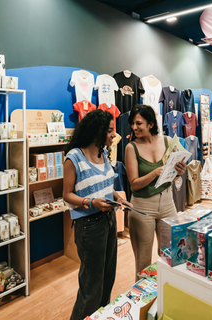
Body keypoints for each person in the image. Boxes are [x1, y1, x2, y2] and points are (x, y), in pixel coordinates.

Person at [63, 110, 132, 320]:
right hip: (89, 225)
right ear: (97, 131)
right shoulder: (74, 157)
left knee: (108, 277)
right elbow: (66, 195)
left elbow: (103, 184)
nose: (114, 135)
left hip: (108, 220)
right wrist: (91, 202)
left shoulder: (103, 153)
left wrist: (117, 197)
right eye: (110, 131)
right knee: (91, 285)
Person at [125, 104, 187, 277]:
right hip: (142, 208)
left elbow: (171, 176)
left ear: (150, 124)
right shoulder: (131, 147)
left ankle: (167, 292)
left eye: (139, 123)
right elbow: (134, 184)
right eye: (133, 124)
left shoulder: (168, 142)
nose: (134, 127)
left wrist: (179, 172)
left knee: (171, 255)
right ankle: (143, 301)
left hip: (168, 203)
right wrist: (154, 172)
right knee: (143, 263)